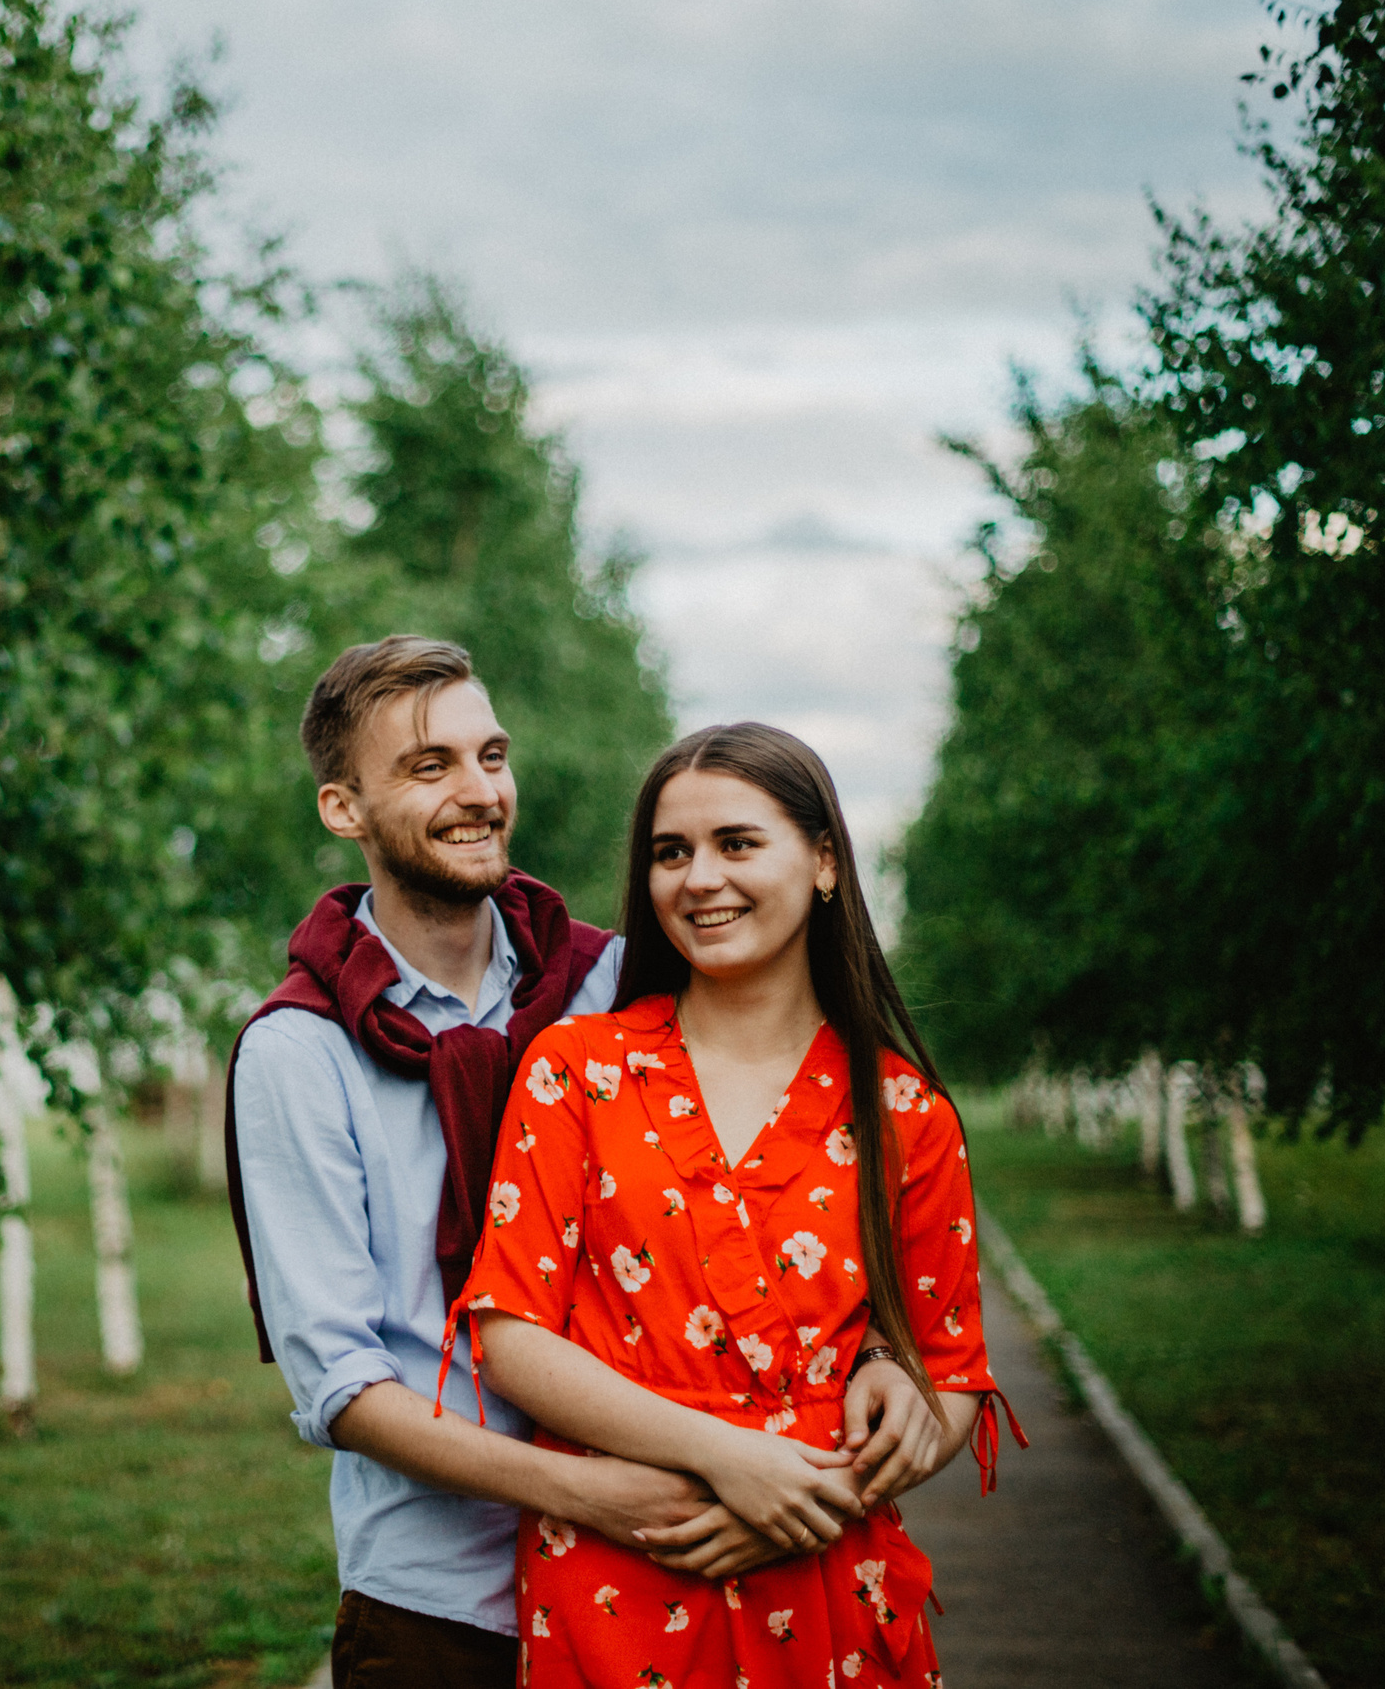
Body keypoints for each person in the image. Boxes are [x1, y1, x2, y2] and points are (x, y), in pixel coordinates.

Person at [228, 643, 927, 1689]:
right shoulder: (301, 1051)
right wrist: (591, 1492)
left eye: (490, 755)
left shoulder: (605, 982)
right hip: (441, 1596)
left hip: (673, 1570)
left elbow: (770, 1175)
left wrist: (884, 1346)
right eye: (429, 768)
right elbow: (343, 1386)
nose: (477, 793)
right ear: (344, 809)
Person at [448, 722, 1018, 1689]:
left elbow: (951, 1372)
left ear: (825, 859)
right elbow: (512, 1335)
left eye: (737, 842)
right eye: (671, 852)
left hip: (833, 1586)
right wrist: (730, 1459)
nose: (698, 878)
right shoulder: (577, 1072)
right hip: (622, 1580)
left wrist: (808, 1497)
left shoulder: (905, 1112)